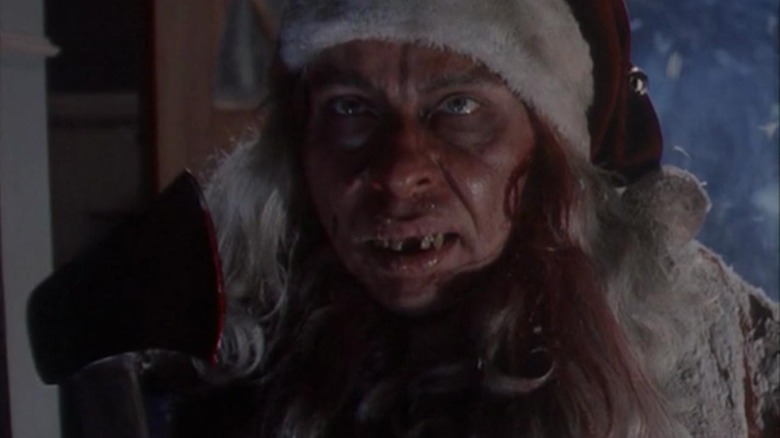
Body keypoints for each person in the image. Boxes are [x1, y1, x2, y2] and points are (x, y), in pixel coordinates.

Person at [181, 0, 779, 437]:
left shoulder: (718, 339)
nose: (398, 173)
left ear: (552, 150)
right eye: (352, 108)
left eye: (458, 107)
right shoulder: (209, 358)